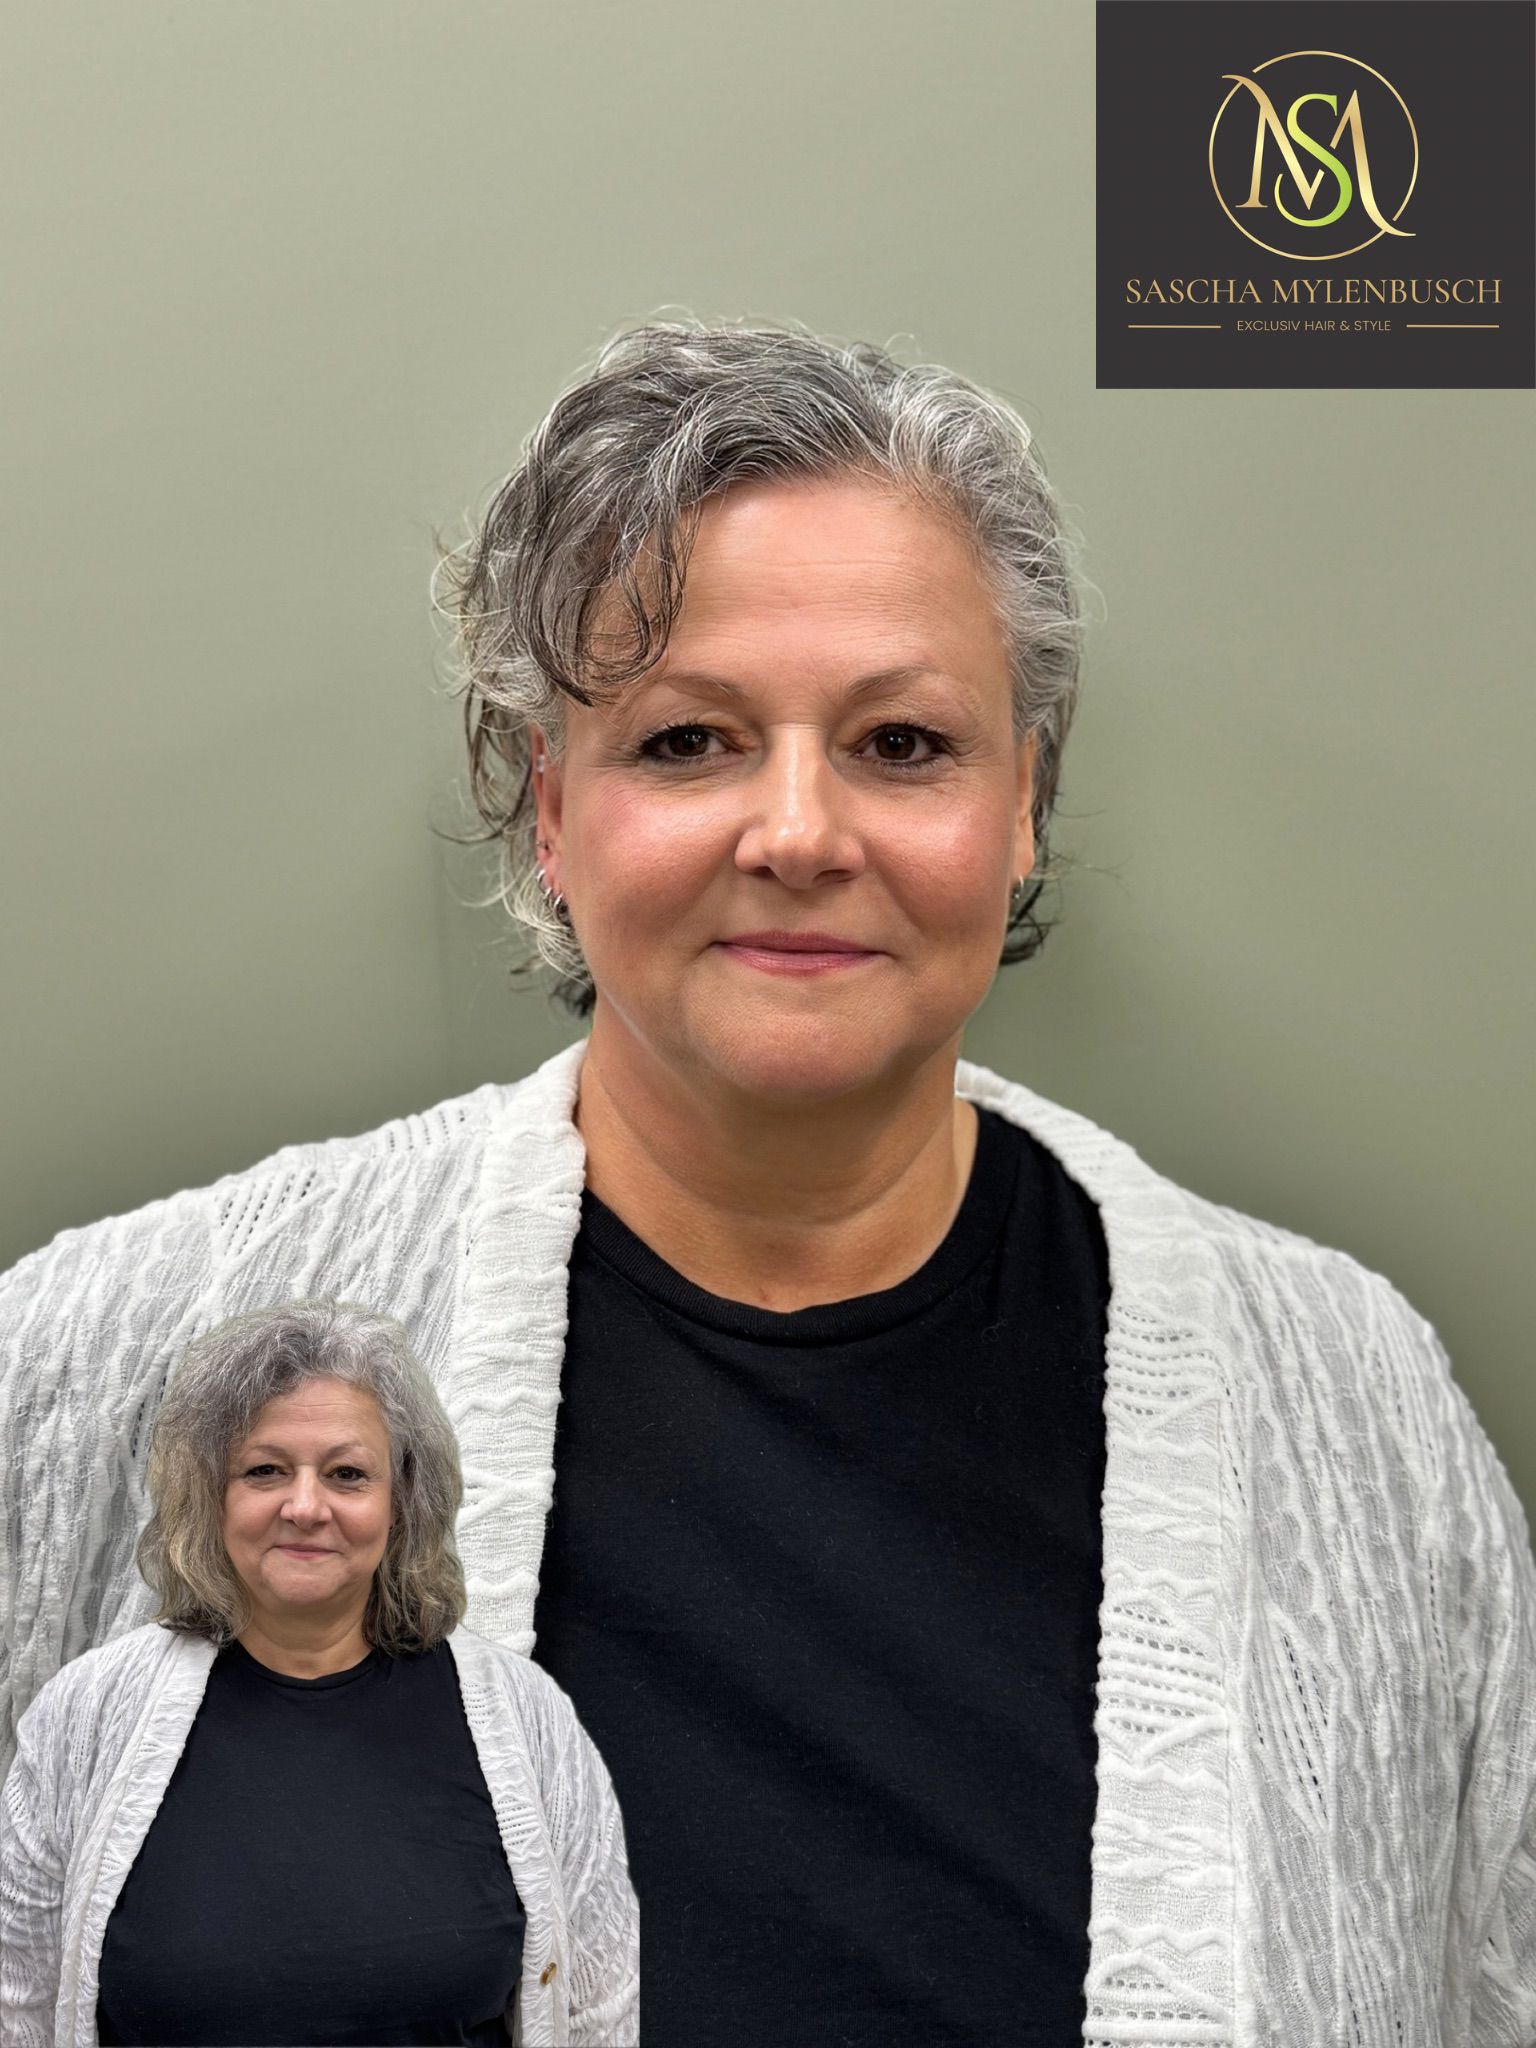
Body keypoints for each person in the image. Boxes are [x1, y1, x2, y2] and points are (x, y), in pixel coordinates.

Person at [2, 319, 1534, 2047]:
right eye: (688, 741)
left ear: (1024, 804)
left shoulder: (1356, 1410)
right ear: (548, 811)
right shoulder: (104, 1362)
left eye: (903, 743)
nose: (799, 831)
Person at [0, 1299, 639, 2047]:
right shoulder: (84, 1715)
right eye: (265, 1470)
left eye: (347, 1474)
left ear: (403, 1503)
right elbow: (19, 2003)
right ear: (211, 1496)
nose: (305, 1506)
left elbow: (599, 2010)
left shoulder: (528, 1721)